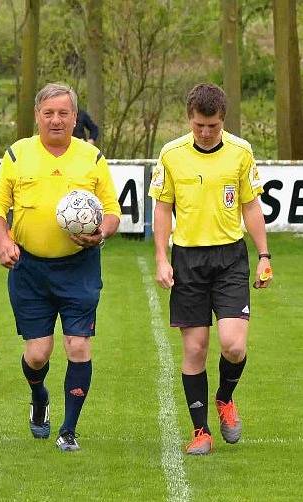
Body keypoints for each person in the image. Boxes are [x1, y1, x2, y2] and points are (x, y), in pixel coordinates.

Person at [0, 82, 121, 452]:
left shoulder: (91, 158)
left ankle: (69, 430)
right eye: (49, 113)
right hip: (29, 270)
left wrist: (101, 233)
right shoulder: (17, 155)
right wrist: (3, 240)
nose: (56, 120)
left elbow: (112, 212)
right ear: (37, 116)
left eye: (64, 113)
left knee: (78, 345)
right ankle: (39, 396)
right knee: (38, 354)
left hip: (80, 268)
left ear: (75, 118)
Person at [148, 83, 272, 455]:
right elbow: (162, 208)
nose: (205, 133)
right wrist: (161, 257)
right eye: (200, 125)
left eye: (213, 126)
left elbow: (250, 206)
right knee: (196, 349)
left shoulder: (241, 152)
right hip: (188, 260)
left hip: (231, 258)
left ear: (223, 120)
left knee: (234, 346)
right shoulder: (171, 154)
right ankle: (201, 431)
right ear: (190, 119)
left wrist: (264, 255)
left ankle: (225, 398)